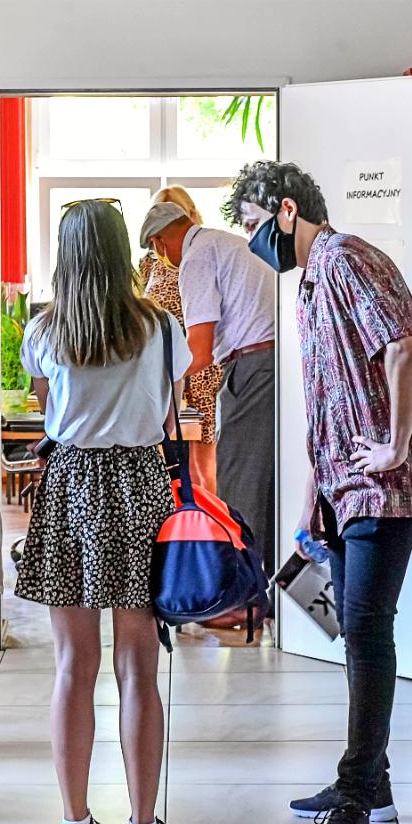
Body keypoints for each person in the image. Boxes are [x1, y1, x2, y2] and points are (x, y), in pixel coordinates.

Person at [226, 161, 412, 824]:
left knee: (365, 628)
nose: (254, 241)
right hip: (345, 484)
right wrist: (313, 493)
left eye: (255, 225)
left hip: (382, 483)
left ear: (287, 211)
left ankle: (356, 797)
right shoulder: (311, 281)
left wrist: (396, 442)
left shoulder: (348, 258)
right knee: (357, 629)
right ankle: (371, 784)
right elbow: (329, 393)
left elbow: (406, 347)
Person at [15, 200, 186, 824]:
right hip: (140, 483)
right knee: (139, 667)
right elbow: (169, 410)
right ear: (122, 253)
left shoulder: (44, 331)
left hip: (69, 486)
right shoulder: (161, 327)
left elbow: (44, 406)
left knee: (72, 666)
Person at [138, 199, 277, 578]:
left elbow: (198, 351)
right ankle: (259, 588)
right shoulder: (224, 242)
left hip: (252, 367)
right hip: (268, 364)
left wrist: (155, 384)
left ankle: (239, 588)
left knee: (239, 483)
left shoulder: (196, 258)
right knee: (261, 484)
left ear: (159, 241)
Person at [138, 186, 222, 491]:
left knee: (203, 466)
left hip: (202, 368)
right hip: (164, 367)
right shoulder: (149, 263)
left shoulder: (203, 255)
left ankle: (209, 518)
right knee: (165, 459)